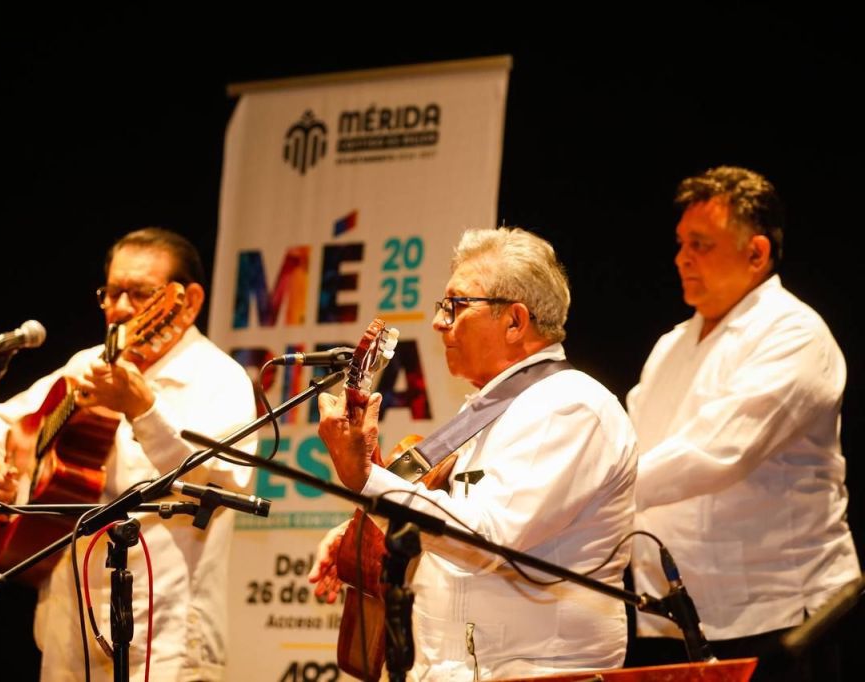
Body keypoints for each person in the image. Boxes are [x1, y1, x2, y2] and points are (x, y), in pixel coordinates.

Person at [310, 227, 638, 680]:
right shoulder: (488, 409)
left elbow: (488, 538)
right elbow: (456, 520)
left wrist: (367, 479)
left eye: (456, 305)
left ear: (515, 321)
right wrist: (368, 530)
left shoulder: (568, 406)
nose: (438, 321)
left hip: (535, 672)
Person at [0, 227, 257, 681]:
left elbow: (224, 483)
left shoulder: (219, 377)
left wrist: (144, 411)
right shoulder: (89, 365)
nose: (119, 308)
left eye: (139, 294)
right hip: (68, 632)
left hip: (167, 640)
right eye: (111, 292)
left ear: (188, 301)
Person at [626, 166, 861, 679]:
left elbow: (717, 452)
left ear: (756, 253)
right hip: (680, 617)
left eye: (700, 244)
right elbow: (627, 446)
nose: (681, 257)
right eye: (681, 243)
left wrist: (594, 490)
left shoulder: (795, 334)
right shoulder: (670, 347)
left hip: (783, 617)